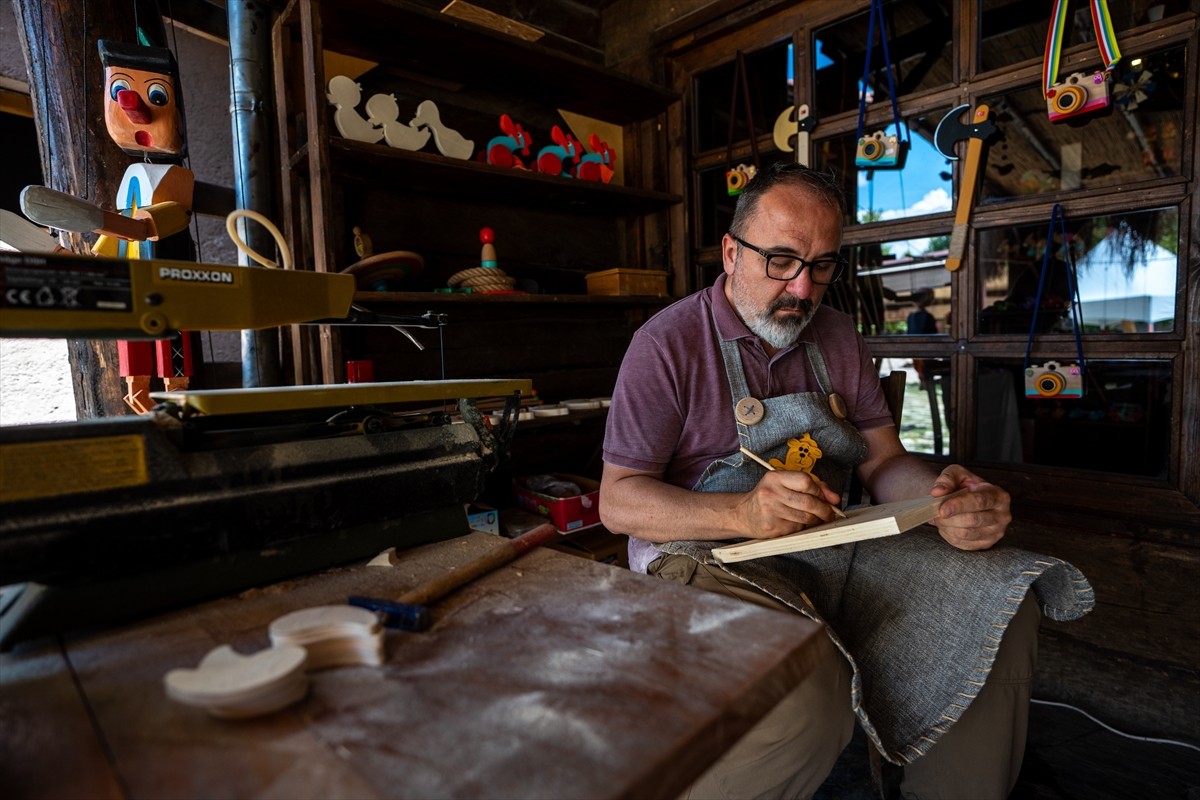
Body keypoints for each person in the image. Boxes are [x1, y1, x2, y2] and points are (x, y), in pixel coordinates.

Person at [600, 162, 1093, 799]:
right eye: (780, 260)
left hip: (831, 542)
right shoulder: (665, 343)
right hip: (710, 556)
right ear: (730, 252)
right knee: (804, 688)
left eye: (823, 266)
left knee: (1001, 599)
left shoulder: (836, 335)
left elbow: (883, 462)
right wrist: (742, 514)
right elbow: (618, 501)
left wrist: (942, 499)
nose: (802, 290)